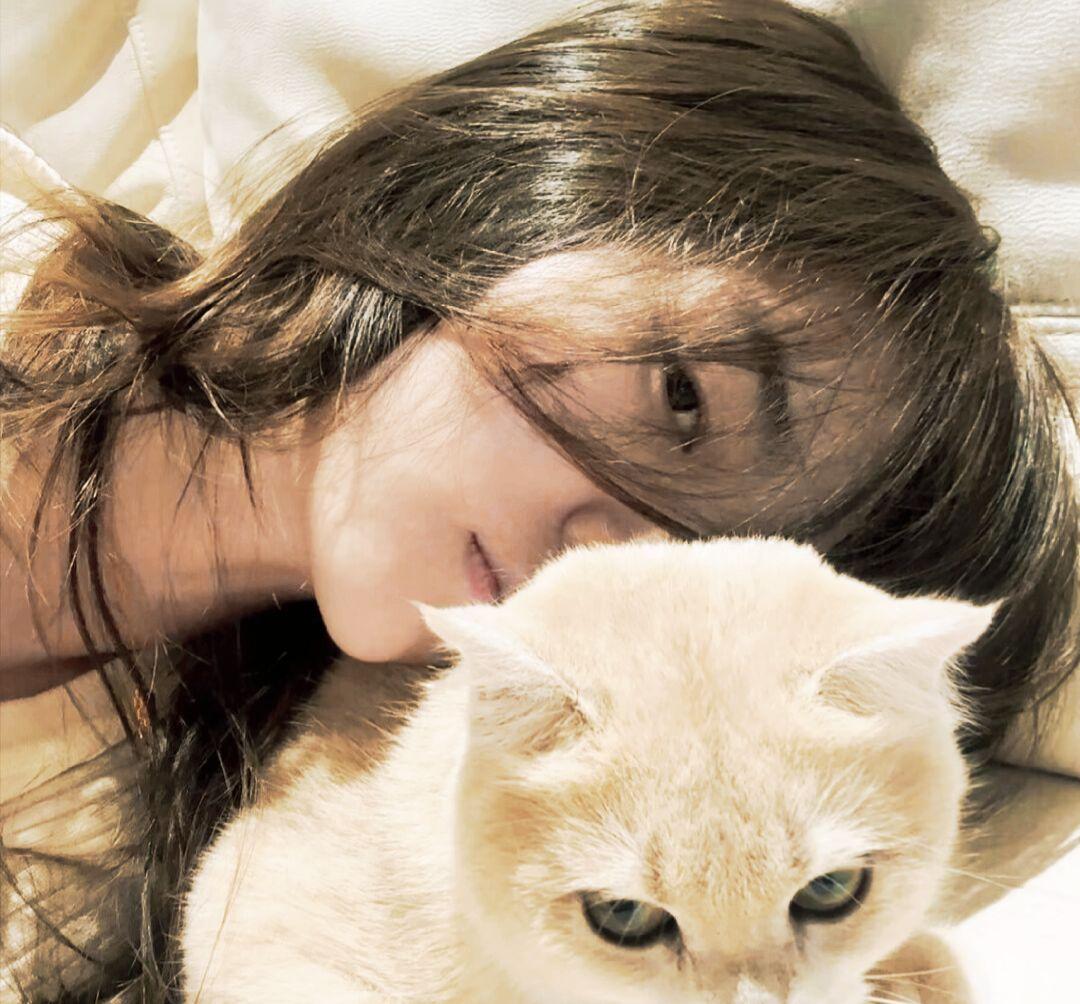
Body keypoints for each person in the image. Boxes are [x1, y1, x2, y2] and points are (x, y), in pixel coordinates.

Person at [1, 0, 1076, 999]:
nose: (611, 555)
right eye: (684, 400)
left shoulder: (254, 766)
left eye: (700, 556)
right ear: (522, 187)